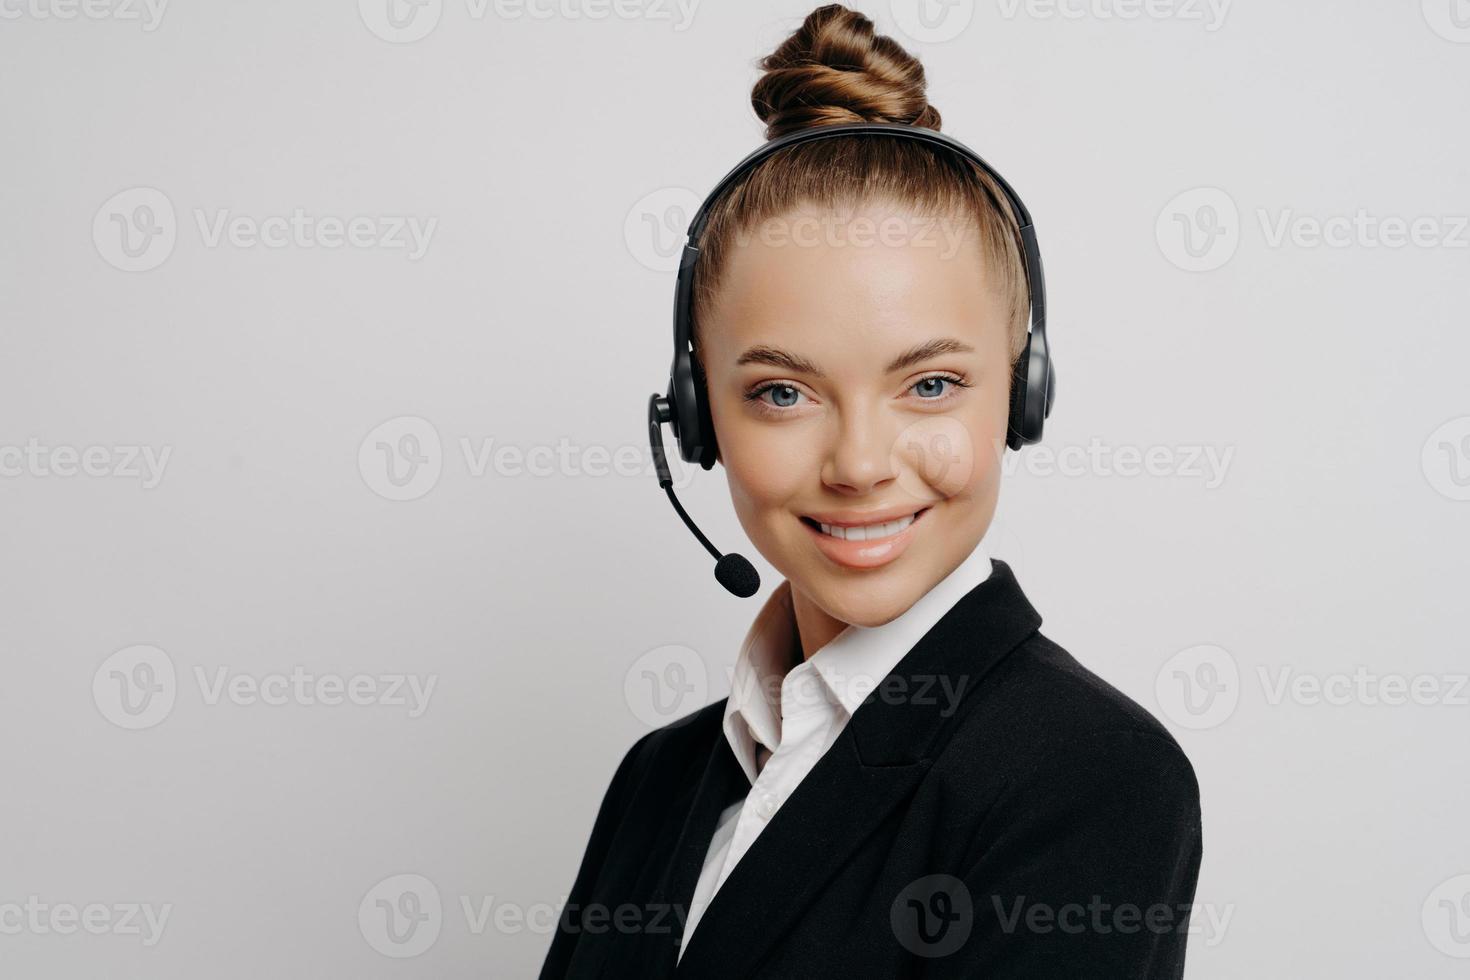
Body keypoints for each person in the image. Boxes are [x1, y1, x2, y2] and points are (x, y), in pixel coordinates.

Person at [540, 5, 1202, 977]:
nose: (858, 462)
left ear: (1019, 393)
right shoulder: (659, 776)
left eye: (929, 384)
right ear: (695, 416)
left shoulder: (1090, 772)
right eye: (781, 391)